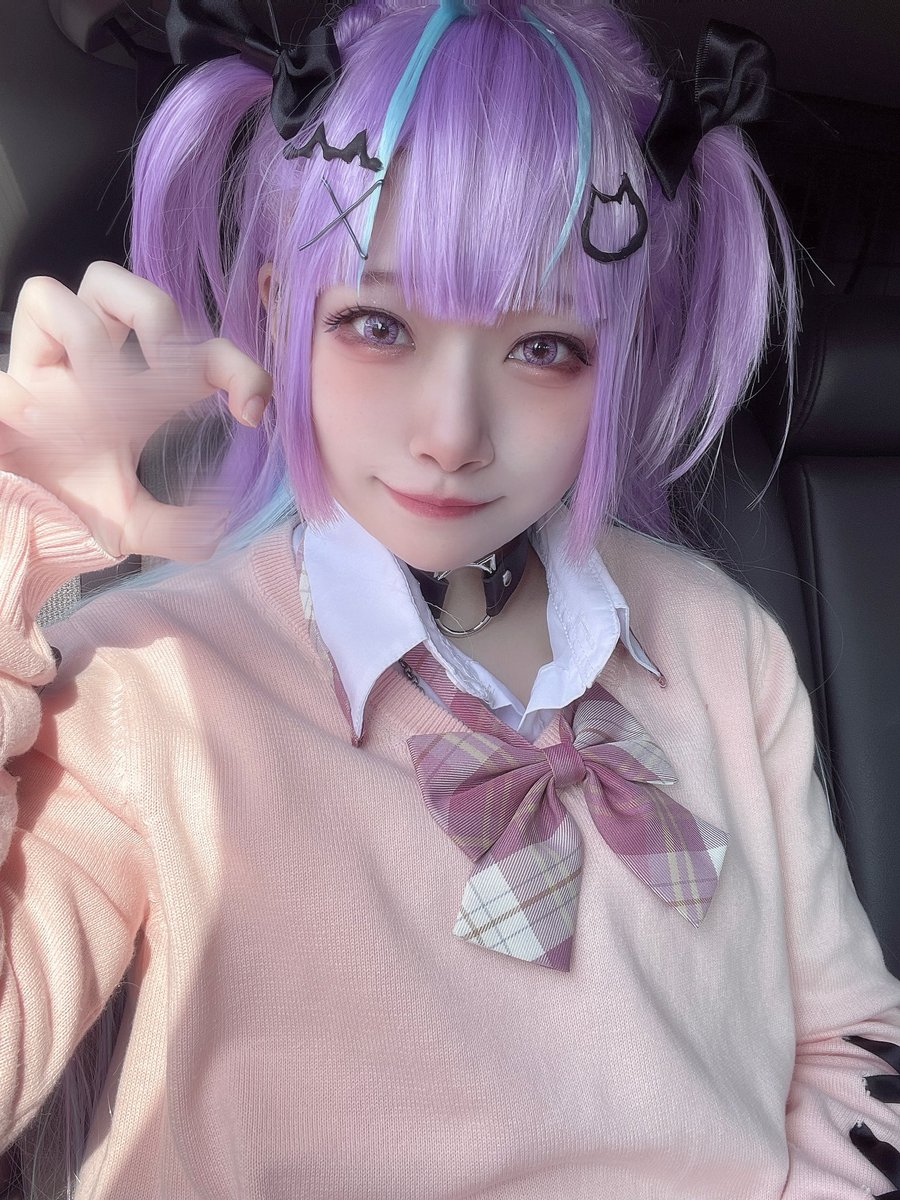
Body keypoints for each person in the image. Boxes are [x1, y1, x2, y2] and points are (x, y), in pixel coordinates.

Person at [1, 0, 899, 1196]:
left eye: (544, 348)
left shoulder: (723, 643)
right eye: (377, 325)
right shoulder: (141, 681)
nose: (453, 434)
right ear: (276, 311)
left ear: (615, 361)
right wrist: (11, 525)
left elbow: (852, 1042)